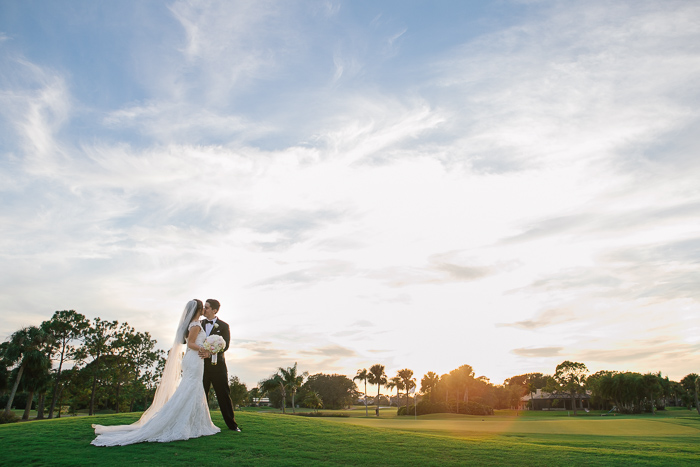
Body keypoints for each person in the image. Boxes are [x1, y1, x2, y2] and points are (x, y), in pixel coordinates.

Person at [91, 299, 220, 446]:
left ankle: (195, 423)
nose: (204, 309)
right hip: (194, 360)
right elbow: (190, 343)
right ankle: (183, 423)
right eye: (203, 307)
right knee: (191, 388)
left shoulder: (194, 323)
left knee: (192, 389)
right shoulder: (196, 324)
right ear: (198, 309)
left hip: (195, 360)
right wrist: (204, 349)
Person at [198, 299, 240, 431]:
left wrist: (210, 354)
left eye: (207, 307)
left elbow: (225, 346)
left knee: (223, 395)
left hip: (218, 367)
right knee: (200, 395)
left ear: (215, 310)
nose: (204, 310)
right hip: (201, 366)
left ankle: (232, 425)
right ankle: (199, 424)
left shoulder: (223, 326)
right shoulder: (198, 324)